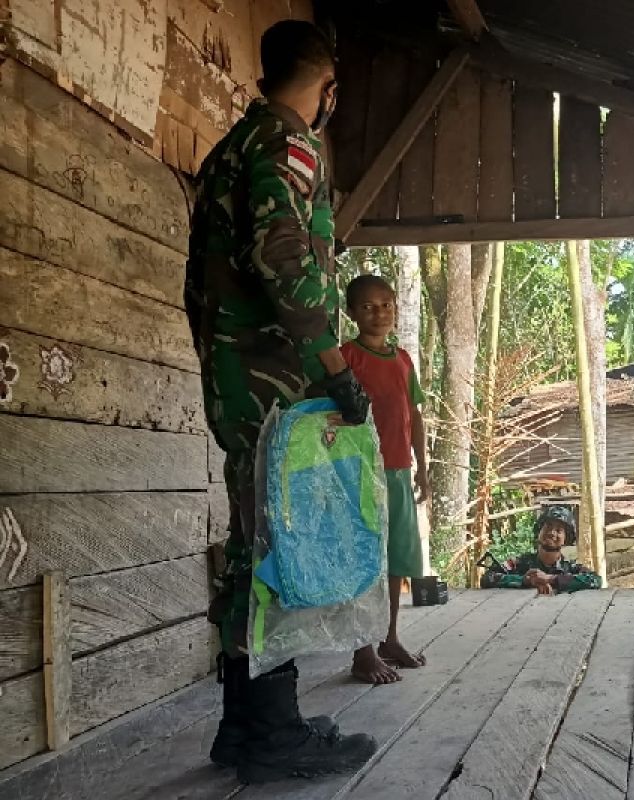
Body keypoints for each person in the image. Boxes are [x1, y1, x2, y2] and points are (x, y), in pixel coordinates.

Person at [185, 20, 376, 782]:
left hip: (239, 370)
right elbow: (288, 266)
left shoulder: (231, 146)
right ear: (327, 87)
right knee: (275, 544)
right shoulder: (285, 146)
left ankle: (248, 724)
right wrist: (336, 369)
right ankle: (272, 731)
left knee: (253, 540)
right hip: (271, 375)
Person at [340, 274, 431, 684]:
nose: (379, 313)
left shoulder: (403, 359)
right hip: (361, 473)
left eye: (386, 304)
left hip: (397, 470)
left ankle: (389, 638)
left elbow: (416, 416)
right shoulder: (345, 358)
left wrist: (423, 466)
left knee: (397, 559)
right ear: (351, 313)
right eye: (368, 307)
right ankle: (362, 650)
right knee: (365, 560)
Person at [481, 506, 601, 593]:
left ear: (566, 539)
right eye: (548, 527)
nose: (552, 533)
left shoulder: (571, 568)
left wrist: (551, 579)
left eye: (559, 530)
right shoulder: (519, 563)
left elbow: (595, 580)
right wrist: (525, 580)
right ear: (539, 531)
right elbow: (488, 578)